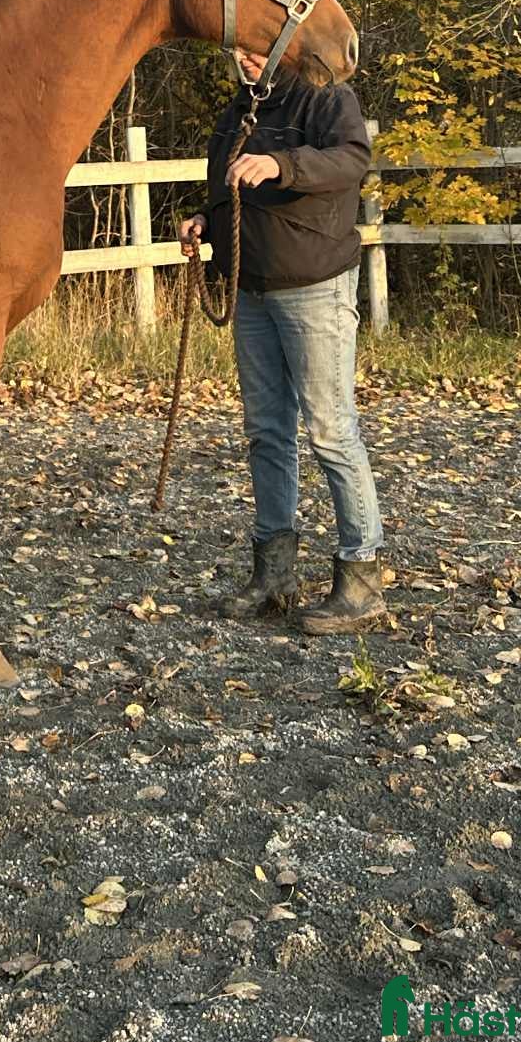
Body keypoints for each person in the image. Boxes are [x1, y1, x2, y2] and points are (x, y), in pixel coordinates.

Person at [179, 49, 386, 633]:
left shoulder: (324, 95)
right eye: (236, 50)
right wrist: (207, 220)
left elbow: (351, 160)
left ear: (280, 47)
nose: (244, 58)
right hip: (251, 289)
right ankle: (274, 575)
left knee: (330, 429)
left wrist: (280, 165)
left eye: (254, 48)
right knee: (266, 431)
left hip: (314, 285)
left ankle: (362, 576)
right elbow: (232, 190)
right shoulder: (238, 111)